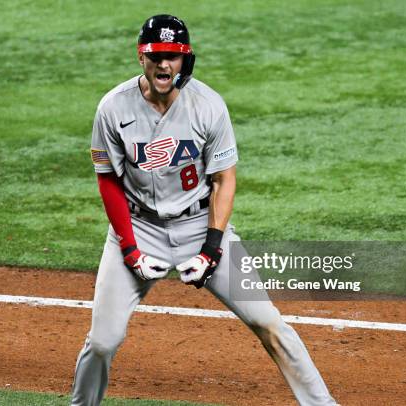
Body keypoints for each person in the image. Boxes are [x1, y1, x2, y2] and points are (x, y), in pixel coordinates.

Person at [72, 14, 337, 406]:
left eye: (174, 56)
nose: (165, 65)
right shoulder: (113, 108)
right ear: (141, 57)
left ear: (186, 59)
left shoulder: (208, 106)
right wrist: (129, 249)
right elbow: (108, 180)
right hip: (138, 227)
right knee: (102, 342)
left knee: (268, 322)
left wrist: (212, 248)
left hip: (200, 224)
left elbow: (224, 180)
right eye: (157, 55)